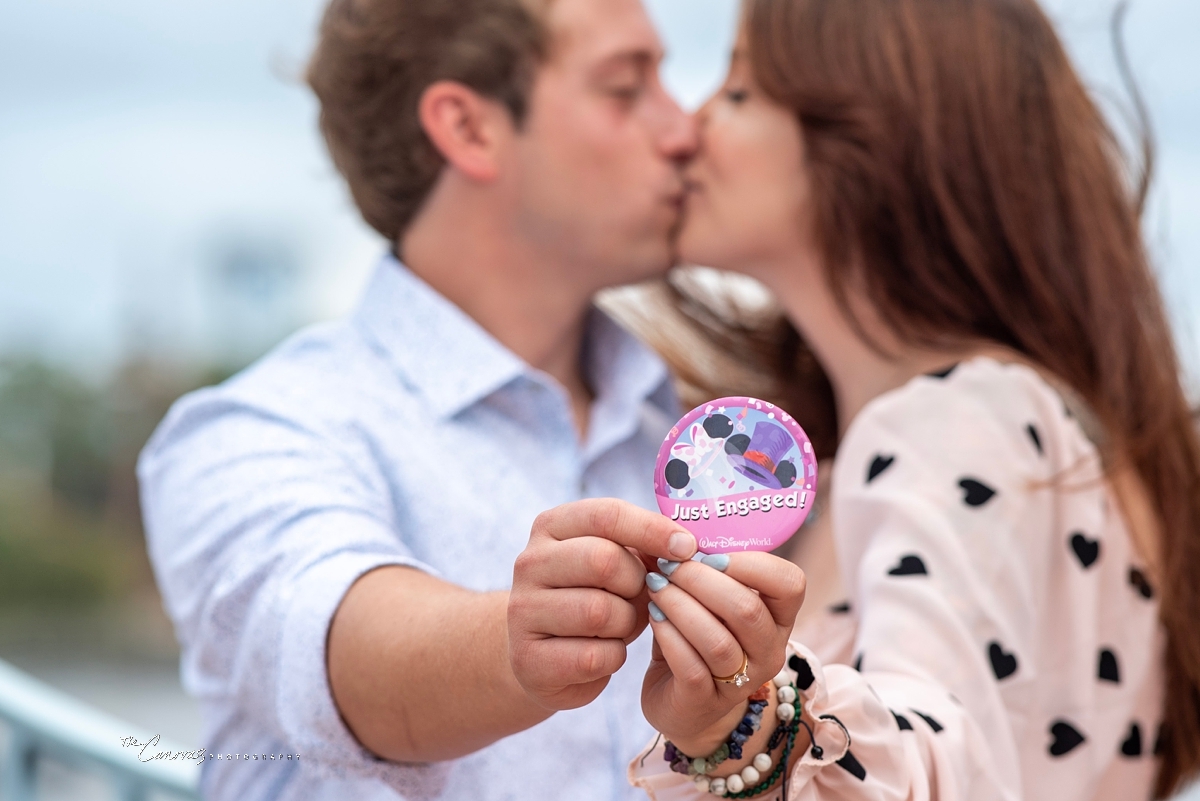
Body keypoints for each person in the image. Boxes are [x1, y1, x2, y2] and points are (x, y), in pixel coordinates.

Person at [610, 0, 1200, 798]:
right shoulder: (980, 424)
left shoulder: (954, 419)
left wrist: (735, 726)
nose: (691, 125)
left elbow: (938, 745)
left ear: (871, 139)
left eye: (741, 90)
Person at [136, 0, 713, 798]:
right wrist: (519, 643)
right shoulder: (252, 431)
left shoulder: (701, 429)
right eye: (625, 87)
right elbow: (341, 648)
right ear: (468, 128)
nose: (685, 129)